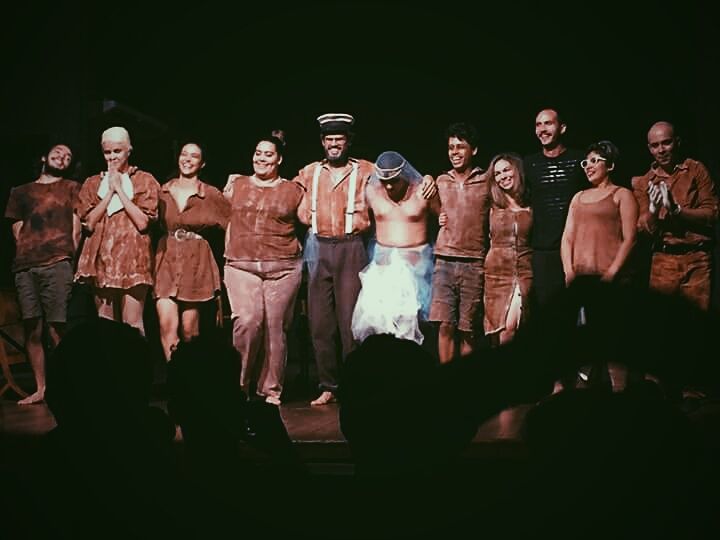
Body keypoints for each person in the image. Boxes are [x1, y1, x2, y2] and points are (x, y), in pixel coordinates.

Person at [223, 131, 304, 406]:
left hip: (283, 266)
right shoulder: (236, 184)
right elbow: (222, 217)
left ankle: (270, 390)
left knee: (275, 327)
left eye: (268, 154)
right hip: (241, 264)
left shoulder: (293, 189)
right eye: (258, 153)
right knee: (248, 321)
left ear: (279, 159)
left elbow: (308, 217)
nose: (261, 158)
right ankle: (238, 386)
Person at [4, 143, 81, 404]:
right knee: (32, 327)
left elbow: (76, 229)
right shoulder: (20, 191)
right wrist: (27, 252)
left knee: (56, 327)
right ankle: (41, 388)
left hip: (58, 262)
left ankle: (63, 385)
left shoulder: (72, 187)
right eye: (58, 152)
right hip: (26, 266)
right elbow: (16, 228)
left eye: (68, 156)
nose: (62, 157)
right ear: (44, 157)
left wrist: (69, 259)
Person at [561, 141, 638, 391]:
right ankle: (583, 393)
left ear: (611, 165)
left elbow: (630, 239)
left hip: (610, 279)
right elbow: (567, 237)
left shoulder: (622, 195)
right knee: (584, 339)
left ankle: (619, 394)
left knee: (613, 339)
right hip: (582, 280)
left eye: (595, 160)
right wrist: (569, 271)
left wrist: (612, 273)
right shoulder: (578, 197)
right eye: (586, 162)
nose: (589, 166)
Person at [74, 126, 160, 335]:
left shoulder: (144, 180)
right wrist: (108, 191)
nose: (112, 157)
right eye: (107, 152)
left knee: (133, 325)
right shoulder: (93, 183)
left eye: (117, 151)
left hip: (133, 258)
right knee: (105, 328)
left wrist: (120, 189)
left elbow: (143, 222)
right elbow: (89, 223)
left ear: (128, 150)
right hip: (101, 259)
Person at [351, 151, 438, 345]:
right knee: (377, 320)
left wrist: (429, 179)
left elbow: (444, 218)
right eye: (385, 181)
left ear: (405, 174)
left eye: (394, 181)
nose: (389, 186)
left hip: (417, 267)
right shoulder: (371, 191)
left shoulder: (423, 191)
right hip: (382, 267)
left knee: (410, 321)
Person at [155, 142, 230, 361]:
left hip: (196, 261)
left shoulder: (211, 194)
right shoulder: (162, 191)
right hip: (166, 258)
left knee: (189, 330)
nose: (187, 159)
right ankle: (173, 374)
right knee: (166, 325)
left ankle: (187, 373)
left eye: (194, 156)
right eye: (184, 154)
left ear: (202, 163)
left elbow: (233, 226)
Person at [632, 121, 718, 312]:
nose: (661, 150)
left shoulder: (695, 169)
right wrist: (653, 210)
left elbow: (712, 213)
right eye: (655, 145)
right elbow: (643, 229)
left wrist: (677, 210)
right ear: (649, 149)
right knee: (663, 322)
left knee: (697, 323)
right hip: (663, 261)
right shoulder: (644, 182)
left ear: (677, 142)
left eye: (666, 143)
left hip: (697, 260)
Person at [430, 122, 489, 363]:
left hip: (474, 261)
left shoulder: (486, 180)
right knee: (445, 324)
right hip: (444, 260)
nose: (454, 152)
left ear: (473, 150)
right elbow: (433, 206)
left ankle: (464, 380)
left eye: (460, 147)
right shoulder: (441, 180)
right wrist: (438, 213)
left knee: (468, 328)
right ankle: (446, 379)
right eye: (451, 147)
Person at [524, 109, 585, 309]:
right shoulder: (529, 164)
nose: (542, 129)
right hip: (543, 251)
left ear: (562, 128)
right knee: (547, 312)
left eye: (548, 123)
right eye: (538, 125)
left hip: (576, 250)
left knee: (577, 313)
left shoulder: (580, 160)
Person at [483, 153, 532, 347]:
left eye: (506, 170)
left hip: (523, 272)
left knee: (510, 328)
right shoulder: (490, 206)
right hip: (495, 276)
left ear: (516, 171)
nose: (502, 176)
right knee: (497, 332)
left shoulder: (531, 205)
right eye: (497, 174)